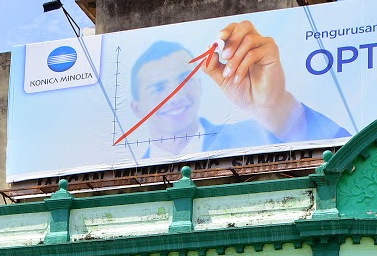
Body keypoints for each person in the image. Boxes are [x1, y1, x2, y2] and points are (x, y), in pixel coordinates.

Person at [127, 23, 348, 159]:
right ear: (137, 108)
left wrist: (273, 106)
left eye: (183, 81)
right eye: (158, 88)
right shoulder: (125, 173)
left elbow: (356, 161)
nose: (175, 95)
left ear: (200, 86)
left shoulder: (248, 137)